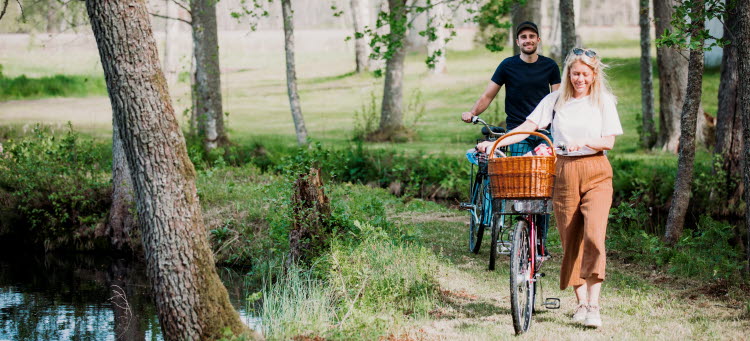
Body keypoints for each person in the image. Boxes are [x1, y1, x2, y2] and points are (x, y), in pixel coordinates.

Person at [477, 48, 623, 329]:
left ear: (593, 76)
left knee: (594, 235)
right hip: (564, 171)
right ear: (568, 73)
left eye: (585, 74)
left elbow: (609, 141)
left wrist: (583, 143)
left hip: (596, 171)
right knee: (570, 239)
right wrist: (497, 143)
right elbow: (528, 126)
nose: (579, 79)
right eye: (575, 73)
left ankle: (594, 306)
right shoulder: (556, 99)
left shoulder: (603, 101)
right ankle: (580, 303)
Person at [461, 21, 561, 129]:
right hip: (517, 129)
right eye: (523, 37)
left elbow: (557, 99)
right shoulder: (507, 65)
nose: (528, 40)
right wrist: (472, 113)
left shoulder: (550, 66)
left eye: (531, 36)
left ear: (538, 40)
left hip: (544, 128)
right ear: (518, 42)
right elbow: (487, 96)